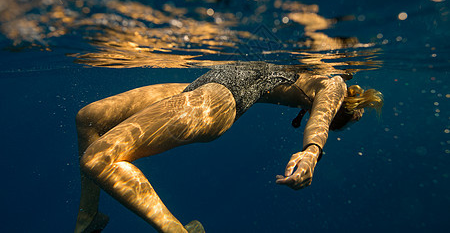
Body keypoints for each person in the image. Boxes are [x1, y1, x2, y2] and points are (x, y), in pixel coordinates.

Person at [74, 62, 383, 233]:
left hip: (217, 100)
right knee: (90, 117)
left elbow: (320, 119)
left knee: (98, 158)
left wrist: (311, 152)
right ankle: (89, 217)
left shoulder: (335, 84)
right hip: (202, 86)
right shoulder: (323, 71)